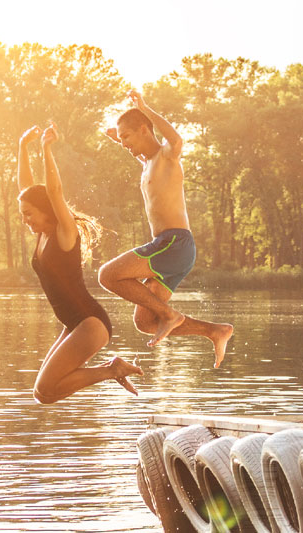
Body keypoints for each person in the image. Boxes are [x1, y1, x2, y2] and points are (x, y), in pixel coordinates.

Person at [98, 90, 233, 368]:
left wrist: (146, 108)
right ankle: (214, 331)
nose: (123, 143)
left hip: (174, 242)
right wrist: (117, 139)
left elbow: (175, 139)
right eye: (121, 138)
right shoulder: (147, 164)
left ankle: (170, 316)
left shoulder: (167, 156)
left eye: (127, 136)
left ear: (144, 129)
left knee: (107, 275)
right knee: (145, 322)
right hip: (172, 250)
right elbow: (141, 154)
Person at [17, 122, 143, 403]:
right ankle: (111, 370)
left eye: (29, 214)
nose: (25, 220)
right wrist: (22, 149)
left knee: (48, 389)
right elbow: (27, 190)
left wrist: (46, 149)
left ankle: (112, 370)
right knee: (42, 393)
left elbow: (54, 191)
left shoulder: (64, 232)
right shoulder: (43, 234)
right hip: (74, 324)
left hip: (89, 322)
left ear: (46, 210)